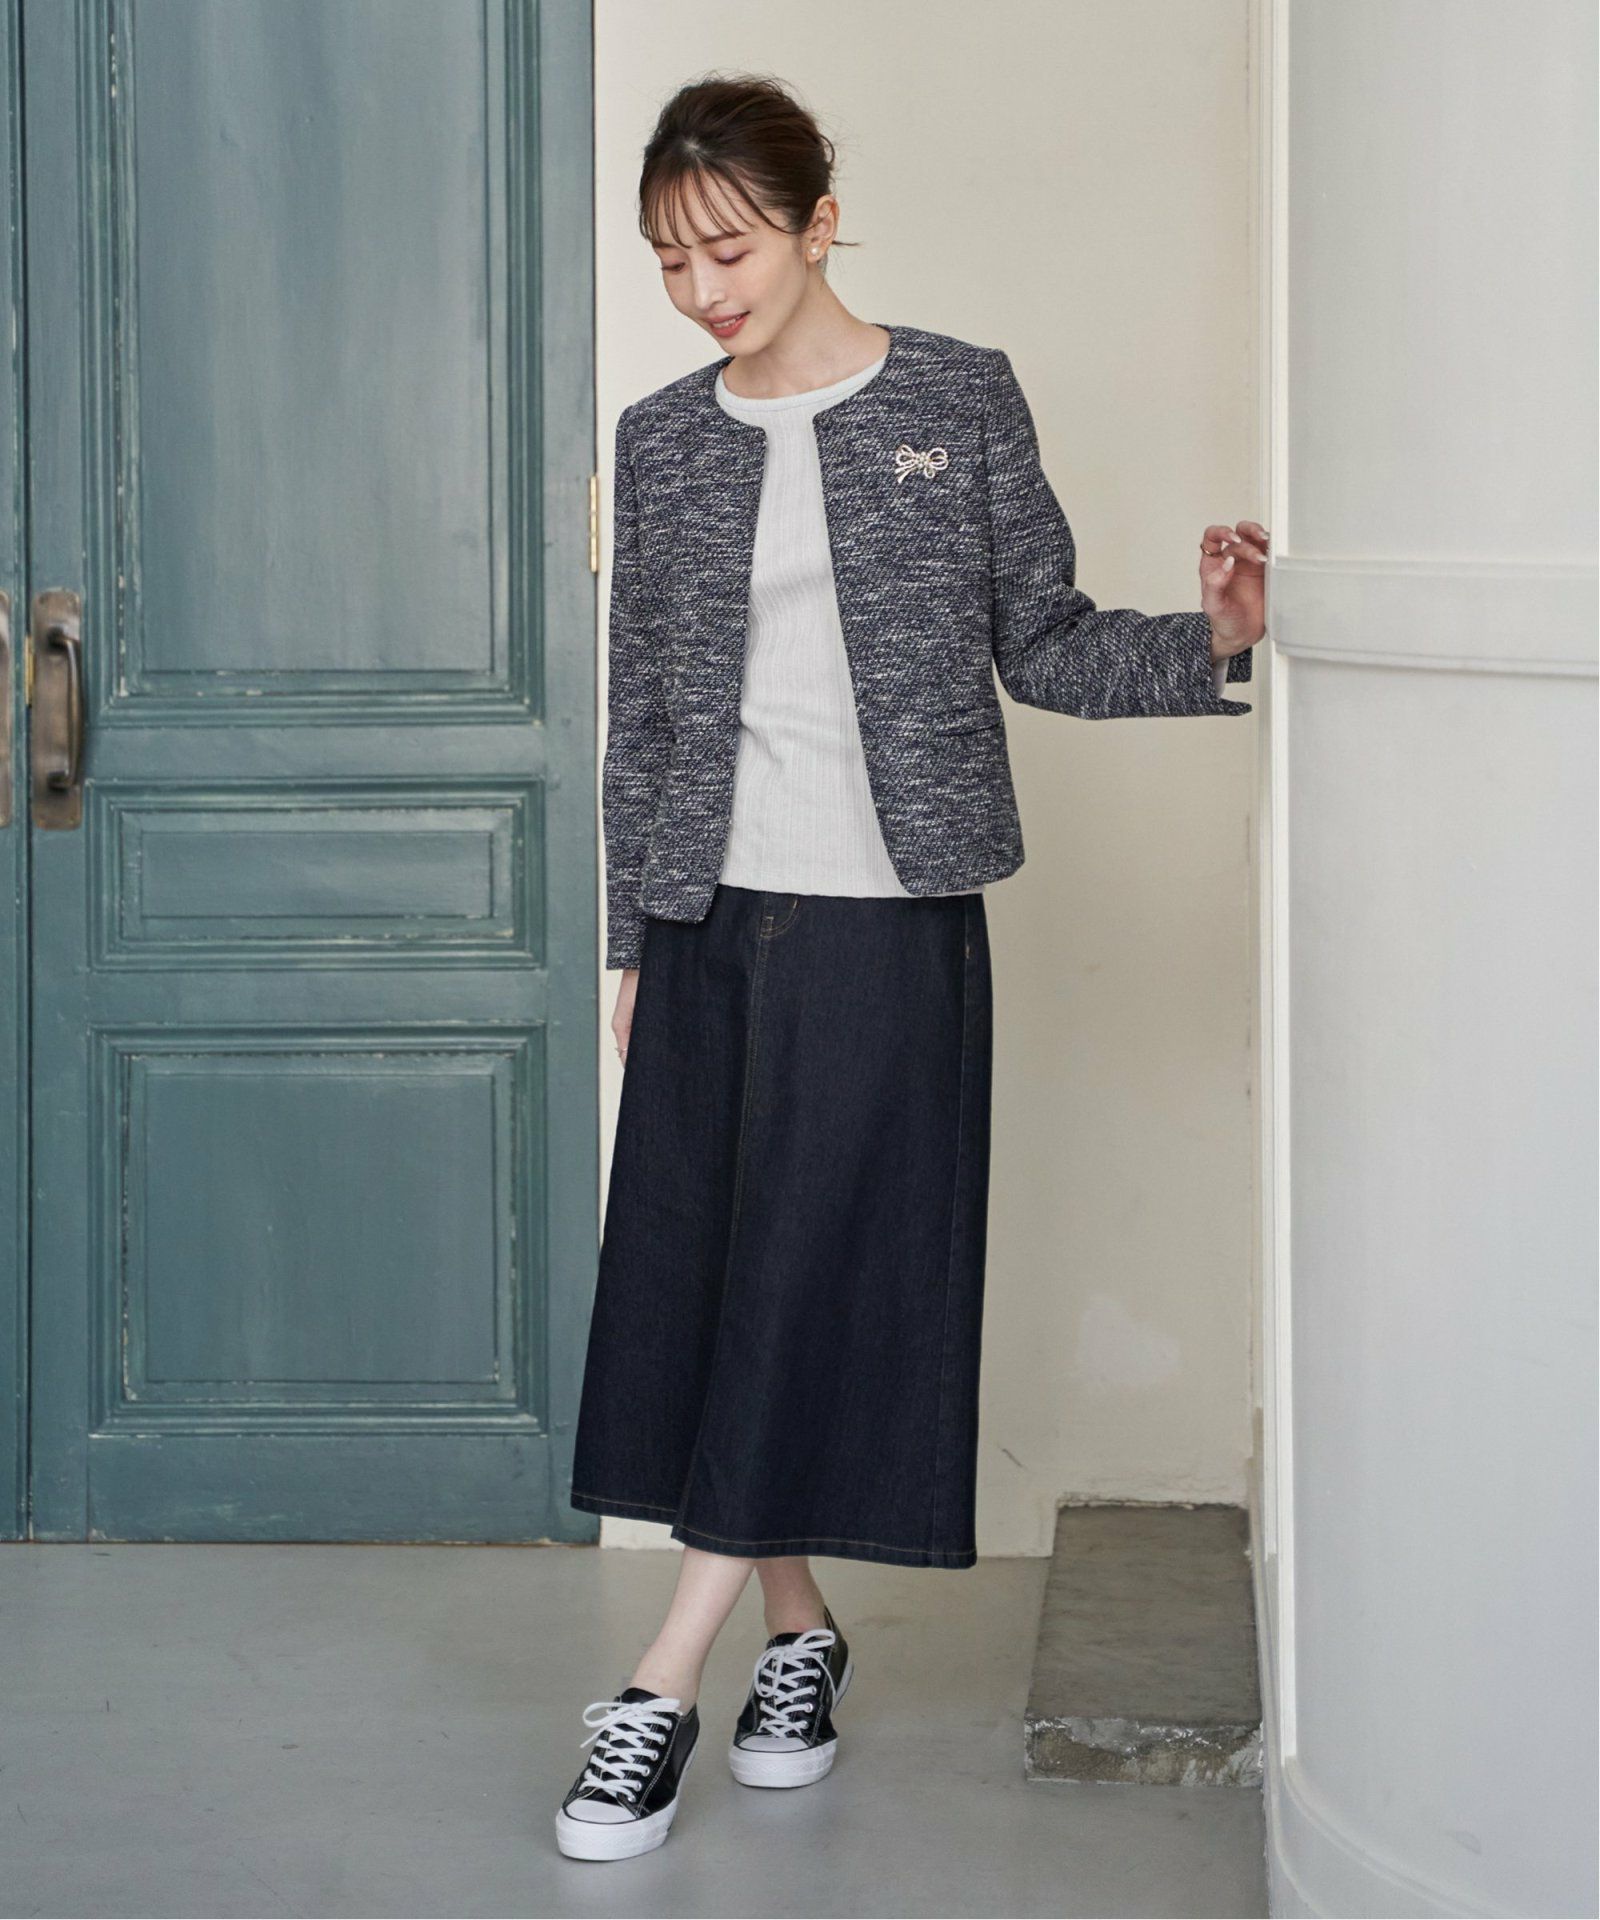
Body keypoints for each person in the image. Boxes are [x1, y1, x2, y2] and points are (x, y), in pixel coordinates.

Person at [554, 74, 1267, 1863]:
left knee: (798, 1279)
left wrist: (1216, 643)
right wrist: (633, 936)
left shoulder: (956, 395)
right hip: (709, 921)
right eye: (669, 261)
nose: (703, 290)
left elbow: (1047, 641)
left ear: (817, 222)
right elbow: (643, 719)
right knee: (715, 1283)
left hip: (891, 920)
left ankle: (659, 1685)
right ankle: (801, 1633)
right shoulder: (662, 439)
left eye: (729, 248)